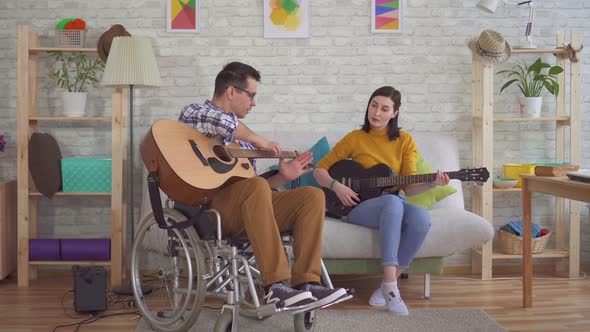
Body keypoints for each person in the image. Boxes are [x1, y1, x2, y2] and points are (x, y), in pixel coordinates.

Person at [178, 61, 347, 310]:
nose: (254, 102)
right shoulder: (193, 115)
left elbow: (253, 189)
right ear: (231, 91)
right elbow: (219, 122)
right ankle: (276, 285)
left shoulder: (243, 140)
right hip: (212, 209)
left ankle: (307, 283)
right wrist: (261, 141)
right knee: (256, 185)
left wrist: (281, 177)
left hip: (248, 206)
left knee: (312, 195)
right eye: (252, 95)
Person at [313, 86, 449, 315]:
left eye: (384, 108)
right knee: (393, 203)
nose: (376, 112)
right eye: (373, 105)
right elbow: (320, 170)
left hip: (394, 201)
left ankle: (387, 284)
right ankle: (392, 289)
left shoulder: (405, 141)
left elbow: (409, 187)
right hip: (358, 207)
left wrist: (431, 183)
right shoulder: (354, 138)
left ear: (394, 113)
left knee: (421, 220)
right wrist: (337, 186)